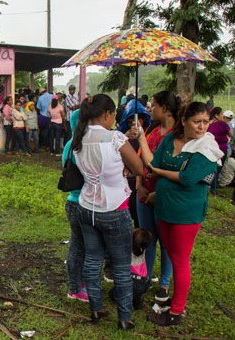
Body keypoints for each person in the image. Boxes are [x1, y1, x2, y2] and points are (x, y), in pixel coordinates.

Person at [137, 101, 223, 326]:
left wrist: (158, 172)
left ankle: (176, 311)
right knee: (172, 254)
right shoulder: (169, 140)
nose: (202, 127)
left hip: (187, 211)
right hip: (163, 207)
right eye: (197, 122)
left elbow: (186, 178)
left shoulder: (207, 147)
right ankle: (173, 300)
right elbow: (153, 161)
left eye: (206, 122)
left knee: (180, 260)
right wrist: (142, 139)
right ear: (184, 121)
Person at [73, 94, 143, 330]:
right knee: (122, 266)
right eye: (113, 115)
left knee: (92, 260)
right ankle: (125, 317)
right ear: (107, 114)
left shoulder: (78, 138)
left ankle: (96, 308)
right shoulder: (114, 137)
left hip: (86, 207)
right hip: (114, 208)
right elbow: (139, 168)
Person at [131, 90, 178, 303]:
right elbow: (142, 158)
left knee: (167, 241)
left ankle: (165, 283)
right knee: (147, 238)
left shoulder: (178, 136)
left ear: (165, 109)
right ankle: (145, 277)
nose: (150, 109)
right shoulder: (152, 130)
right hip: (144, 193)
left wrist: (158, 193)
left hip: (164, 196)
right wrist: (139, 184)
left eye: (154, 105)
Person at [62, 107, 87, 303]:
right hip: (80, 202)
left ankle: (80, 283)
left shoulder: (70, 144)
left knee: (82, 247)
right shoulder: (80, 145)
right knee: (78, 248)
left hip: (73, 200)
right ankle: (75, 288)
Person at [110, 228, 152, 310]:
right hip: (144, 282)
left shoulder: (127, 251)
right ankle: (137, 302)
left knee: (113, 294)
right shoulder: (143, 249)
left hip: (132, 282)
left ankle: (125, 301)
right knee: (136, 294)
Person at [207, 107, 232, 194]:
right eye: (221, 114)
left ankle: (208, 185)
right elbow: (231, 134)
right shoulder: (222, 124)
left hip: (210, 150)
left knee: (210, 168)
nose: (222, 116)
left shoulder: (208, 123)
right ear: (216, 115)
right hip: (221, 150)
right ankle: (213, 189)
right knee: (217, 169)